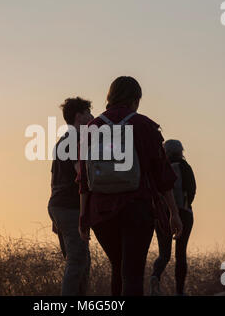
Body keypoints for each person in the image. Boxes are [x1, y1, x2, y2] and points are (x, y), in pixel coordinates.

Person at [78, 76, 183, 296]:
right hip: (137, 209)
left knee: (118, 267)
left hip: (101, 212)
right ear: (136, 99)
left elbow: (84, 179)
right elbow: (162, 175)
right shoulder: (144, 125)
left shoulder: (93, 127)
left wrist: (83, 216)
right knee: (132, 273)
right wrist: (173, 212)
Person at [48, 97, 93, 295]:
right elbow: (81, 175)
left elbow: (54, 177)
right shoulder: (76, 140)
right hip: (70, 208)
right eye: (88, 113)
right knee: (77, 262)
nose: (92, 116)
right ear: (79, 116)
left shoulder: (62, 141)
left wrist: (55, 219)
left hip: (58, 207)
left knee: (81, 262)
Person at [150, 139, 196, 296]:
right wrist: (184, 205)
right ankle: (179, 291)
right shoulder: (185, 167)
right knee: (180, 253)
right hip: (183, 213)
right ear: (181, 151)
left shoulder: (160, 168)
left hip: (162, 215)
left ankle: (155, 277)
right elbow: (192, 190)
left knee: (164, 254)